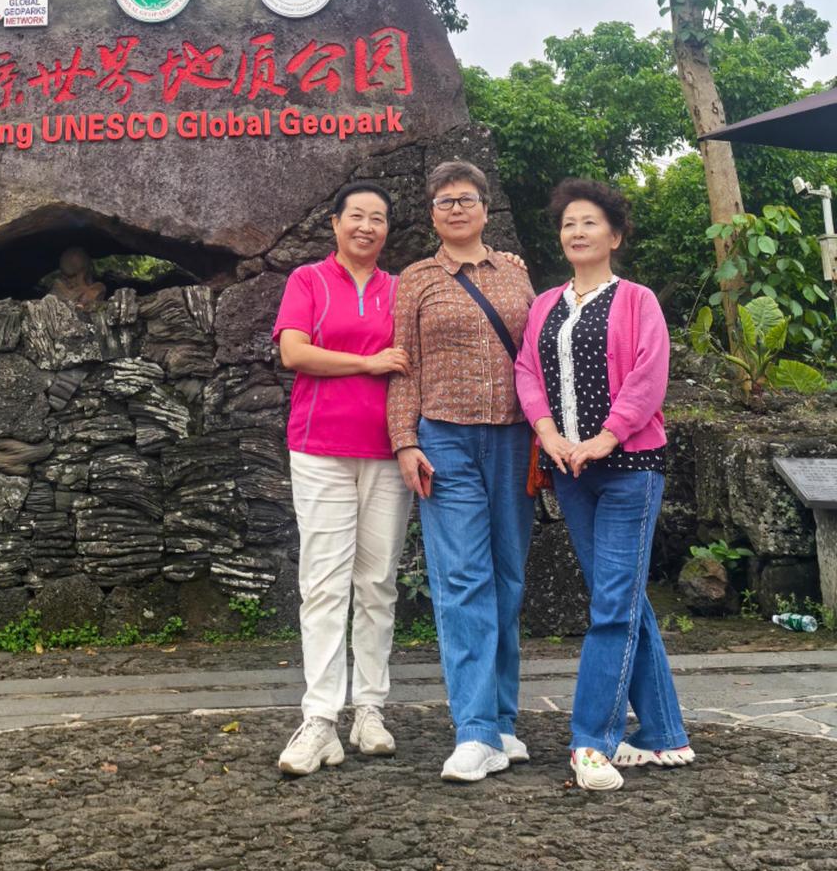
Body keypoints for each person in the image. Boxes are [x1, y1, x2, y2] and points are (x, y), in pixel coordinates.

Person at [514, 178, 694, 792]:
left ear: (613, 235)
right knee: (622, 601)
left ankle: (592, 739)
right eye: (568, 224)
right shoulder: (545, 305)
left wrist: (604, 438)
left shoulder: (638, 300)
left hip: (628, 471)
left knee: (611, 607)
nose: (577, 232)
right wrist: (550, 435)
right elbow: (527, 373)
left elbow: (649, 377)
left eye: (589, 222)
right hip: (571, 473)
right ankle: (666, 733)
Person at [388, 160, 535, 783]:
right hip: (443, 440)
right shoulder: (416, 280)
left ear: (484, 207)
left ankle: (502, 719)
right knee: (461, 581)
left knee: (508, 577)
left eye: (466, 198)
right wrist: (403, 441)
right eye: (444, 200)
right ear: (431, 213)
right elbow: (403, 366)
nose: (455, 208)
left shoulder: (518, 276)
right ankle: (473, 730)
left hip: (514, 438)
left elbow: (535, 356)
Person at [272, 182, 412, 776]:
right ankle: (320, 719)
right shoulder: (308, 281)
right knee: (324, 584)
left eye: (378, 218)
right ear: (335, 224)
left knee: (378, 582)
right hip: (320, 448)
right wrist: (368, 362)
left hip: (386, 452)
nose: (367, 226)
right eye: (356, 215)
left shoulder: (401, 289)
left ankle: (370, 709)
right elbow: (294, 353)